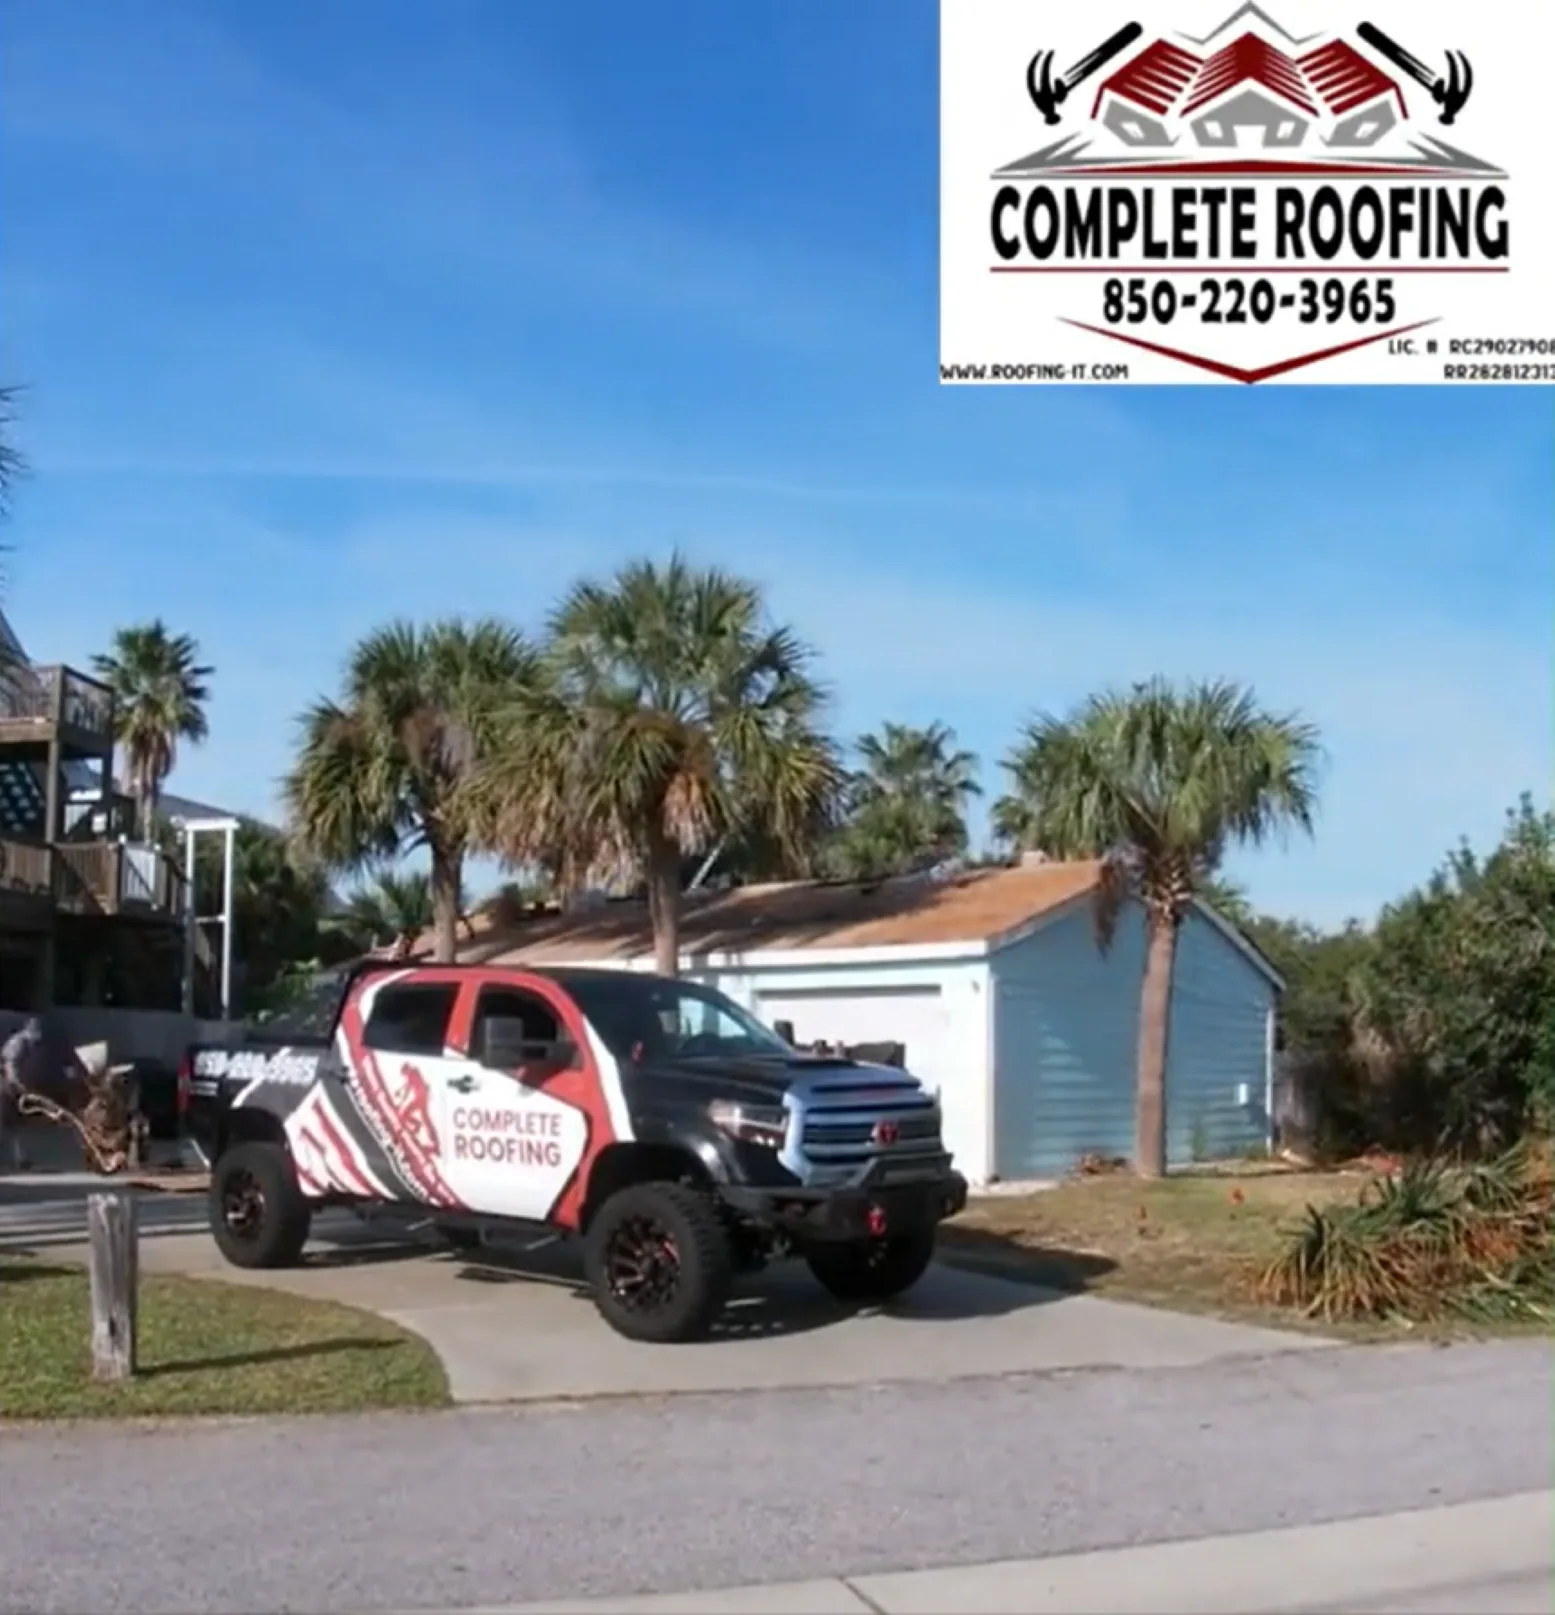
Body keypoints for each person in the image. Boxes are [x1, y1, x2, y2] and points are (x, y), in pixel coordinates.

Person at [0, 1017, 44, 1172]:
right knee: (8, 1123)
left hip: (13, 1087)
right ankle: (19, 1158)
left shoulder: (29, 1044)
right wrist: (18, 1085)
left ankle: (20, 1158)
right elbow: (10, 1065)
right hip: (7, 1086)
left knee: (13, 1125)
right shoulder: (18, 1043)